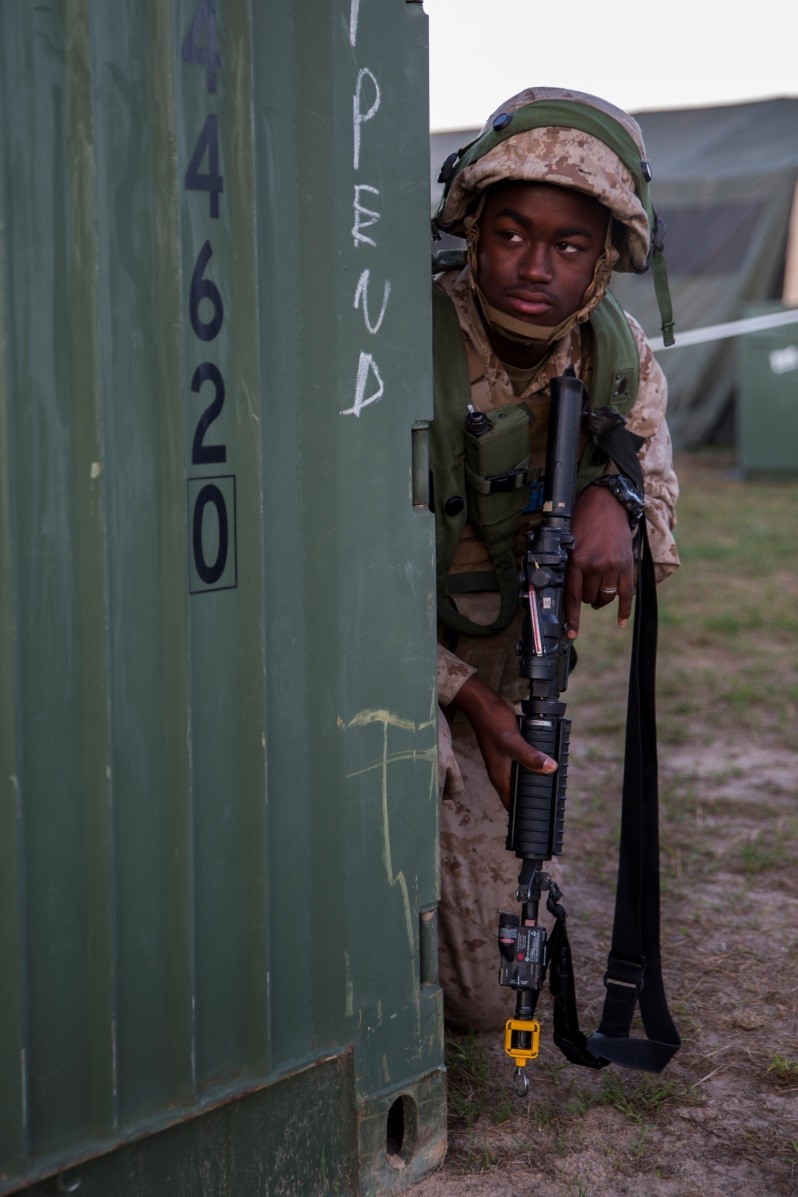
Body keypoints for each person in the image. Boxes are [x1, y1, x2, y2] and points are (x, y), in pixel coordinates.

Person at [430, 87, 680, 1031]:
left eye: (569, 244)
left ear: (607, 258)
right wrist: (467, 698)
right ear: (474, 228)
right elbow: (329, 592)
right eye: (510, 234)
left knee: (490, 995)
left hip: (503, 674)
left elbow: (655, 486)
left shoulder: (615, 358)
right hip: (376, 667)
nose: (534, 266)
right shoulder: (399, 344)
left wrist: (610, 499)